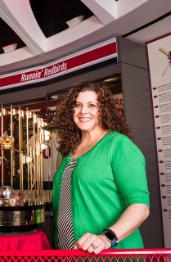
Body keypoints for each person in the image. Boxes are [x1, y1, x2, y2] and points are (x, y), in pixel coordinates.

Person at [52, 81, 150, 254]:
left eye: (92, 105)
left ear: (103, 110)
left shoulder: (119, 145)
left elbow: (140, 207)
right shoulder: (70, 152)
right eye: (77, 105)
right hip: (70, 253)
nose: (83, 111)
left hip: (111, 254)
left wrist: (107, 238)